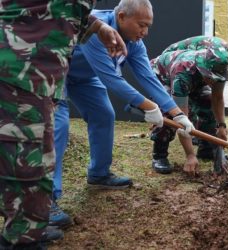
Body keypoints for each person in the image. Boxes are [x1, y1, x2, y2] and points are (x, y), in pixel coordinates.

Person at [51, 0, 194, 229]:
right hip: (57, 71)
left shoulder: (135, 42)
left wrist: (177, 114)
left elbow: (148, 78)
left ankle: (99, 174)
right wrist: (149, 107)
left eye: (148, 26)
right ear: (121, 18)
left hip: (84, 77)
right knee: (57, 127)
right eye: (141, 25)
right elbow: (111, 80)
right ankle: (46, 201)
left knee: (104, 115)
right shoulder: (96, 26)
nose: (145, 32)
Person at [0, 0, 127, 248]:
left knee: (31, 166)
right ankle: (23, 236)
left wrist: (96, 24)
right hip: (19, 73)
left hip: (36, 77)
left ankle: (25, 229)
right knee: (29, 172)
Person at [149, 36, 228, 175]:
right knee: (171, 113)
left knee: (208, 101)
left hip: (193, 76)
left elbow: (217, 98)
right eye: (211, 78)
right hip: (162, 75)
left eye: (217, 79)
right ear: (203, 70)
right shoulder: (182, 74)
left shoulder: (220, 65)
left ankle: (206, 148)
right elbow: (181, 118)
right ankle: (159, 154)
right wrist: (190, 156)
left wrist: (221, 126)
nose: (213, 82)